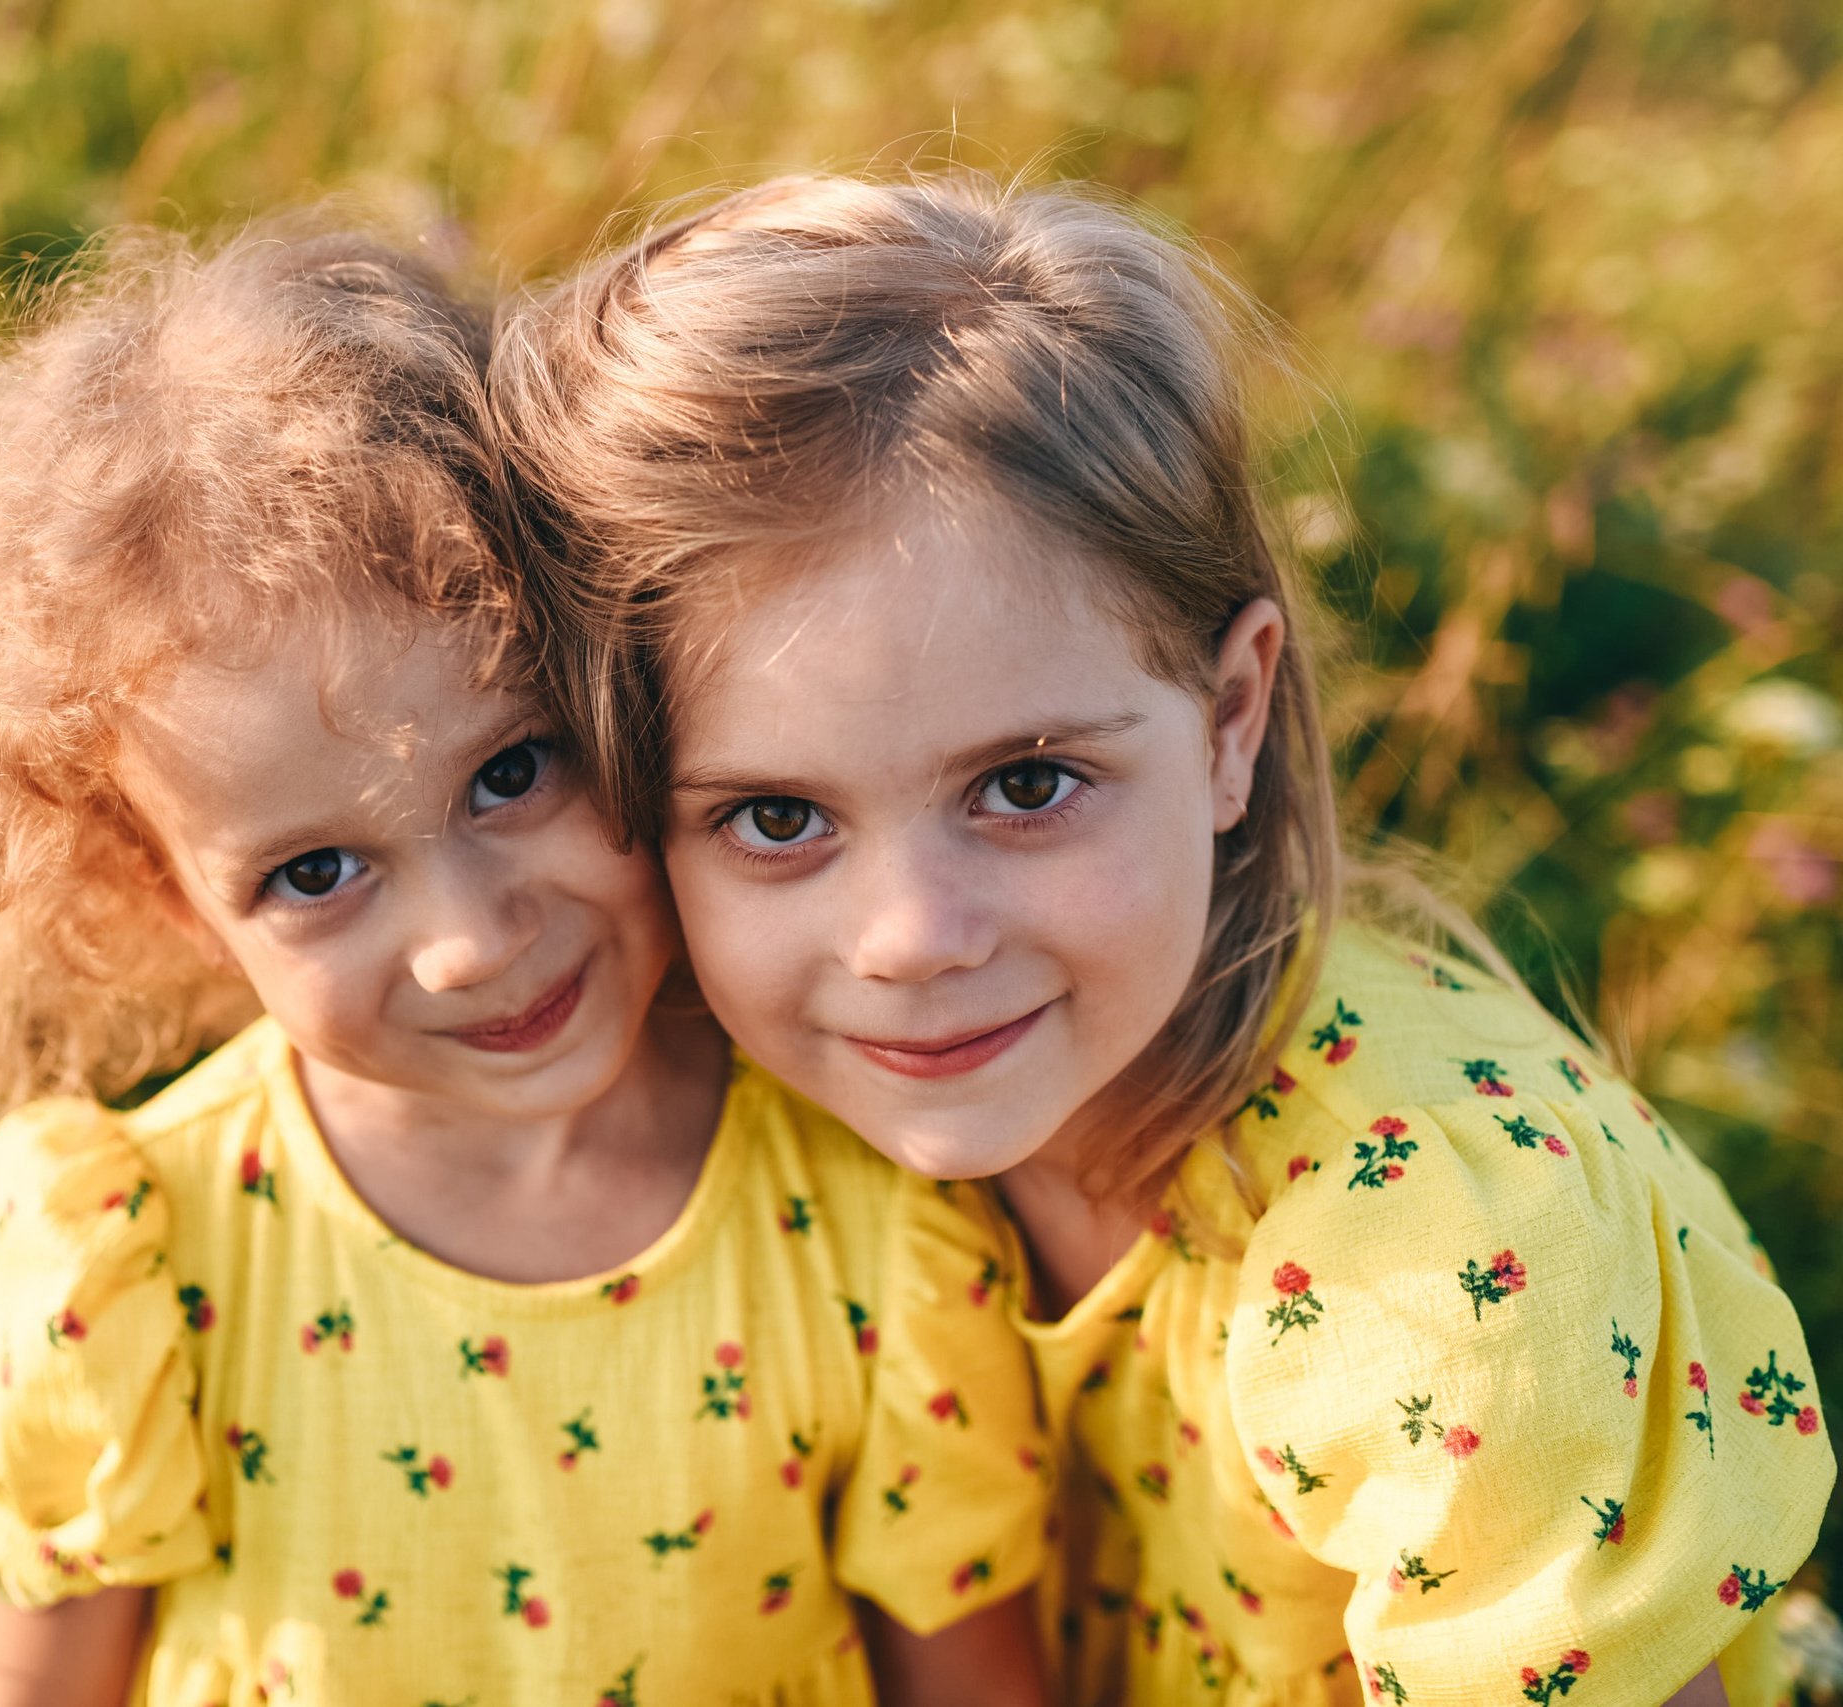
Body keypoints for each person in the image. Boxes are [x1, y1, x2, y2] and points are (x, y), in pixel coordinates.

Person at [493, 173, 1833, 1707]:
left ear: (1228, 718)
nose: (913, 939)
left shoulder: (1443, 1261)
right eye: (776, 818)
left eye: (1026, 786)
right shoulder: (744, 1132)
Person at [0, 220, 1053, 1707]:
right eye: (315, 874)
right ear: (169, 897)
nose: (470, 942)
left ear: (621, 681)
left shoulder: (868, 1225)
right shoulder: (128, 1262)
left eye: (512, 773)